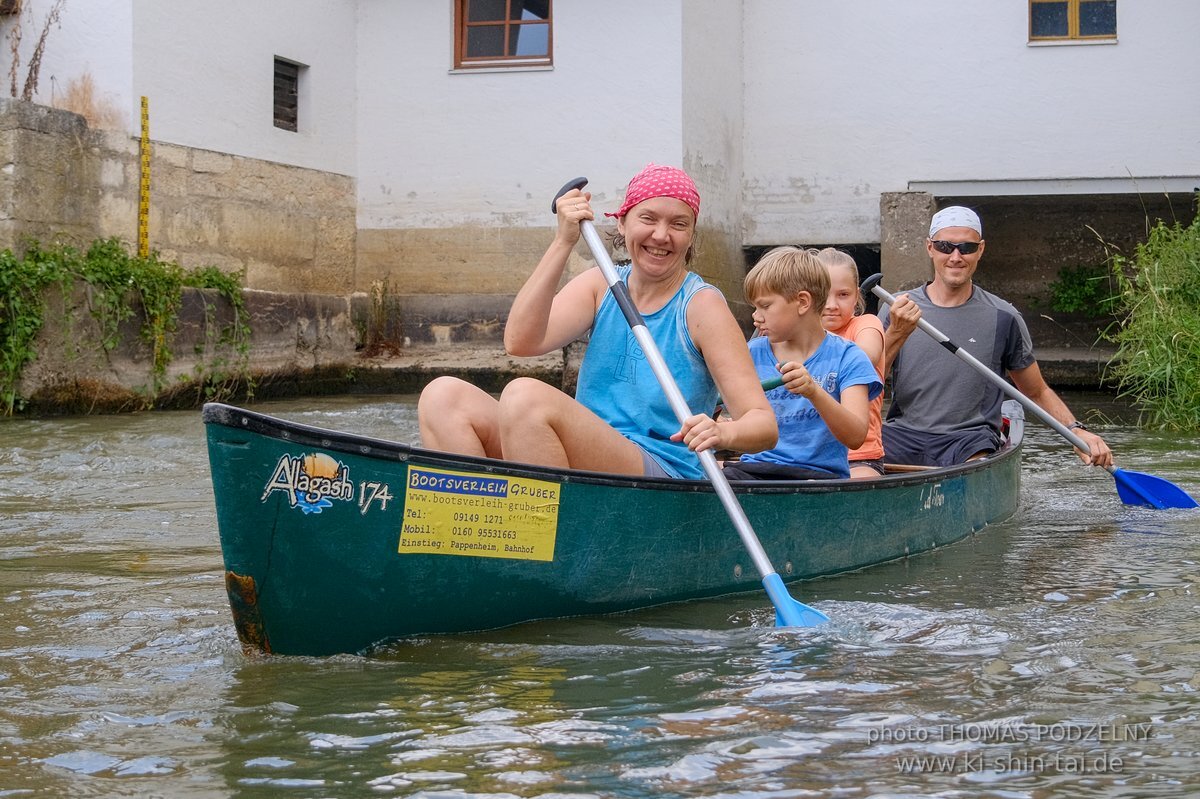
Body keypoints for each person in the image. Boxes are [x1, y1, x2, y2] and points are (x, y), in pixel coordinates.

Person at [417, 164, 778, 479]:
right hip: (586, 451)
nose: (661, 235)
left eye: (678, 224)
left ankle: (543, 545)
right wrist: (563, 241)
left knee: (526, 398)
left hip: (662, 466)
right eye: (648, 218)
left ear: (691, 237)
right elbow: (521, 342)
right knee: (443, 396)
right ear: (622, 223)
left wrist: (721, 433)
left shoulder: (702, 306)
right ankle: (477, 532)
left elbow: (763, 423)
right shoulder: (600, 285)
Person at [881, 205, 1113, 468]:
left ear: (980, 250)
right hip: (902, 434)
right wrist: (896, 333)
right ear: (930, 248)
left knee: (971, 461)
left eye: (966, 248)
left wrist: (1076, 430)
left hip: (969, 439)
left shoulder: (1004, 316)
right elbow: (866, 379)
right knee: (860, 463)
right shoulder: (896, 309)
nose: (956, 256)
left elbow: (1036, 391)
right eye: (945, 246)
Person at [722, 246, 882, 480]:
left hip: (818, 477)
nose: (756, 316)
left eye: (765, 306)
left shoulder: (849, 357)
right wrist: (720, 427)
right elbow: (739, 422)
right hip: (753, 472)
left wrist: (813, 392)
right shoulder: (749, 354)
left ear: (803, 302)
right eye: (755, 307)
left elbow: (857, 436)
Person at [817, 247, 887, 478]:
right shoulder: (793, 335)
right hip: (807, 457)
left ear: (857, 296)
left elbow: (865, 357)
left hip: (859, 458)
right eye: (823, 294)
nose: (832, 304)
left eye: (843, 295)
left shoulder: (866, 324)